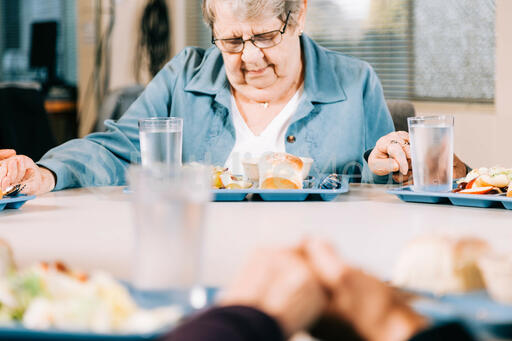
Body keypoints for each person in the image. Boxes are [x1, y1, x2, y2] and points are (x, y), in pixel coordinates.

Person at [0, 0, 467, 195]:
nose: (250, 59)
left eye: (264, 37)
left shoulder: (355, 82)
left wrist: (397, 161)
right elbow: (114, 148)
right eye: (231, 42)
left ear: (298, 15)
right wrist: (45, 173)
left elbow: (382, 179)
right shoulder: (183, 76)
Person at [162, 239, 475, 341]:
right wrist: (391, 323)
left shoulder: (358, 88)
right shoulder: (174, 89)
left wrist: (242, 315)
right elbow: (112, 149)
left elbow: (366, 173)